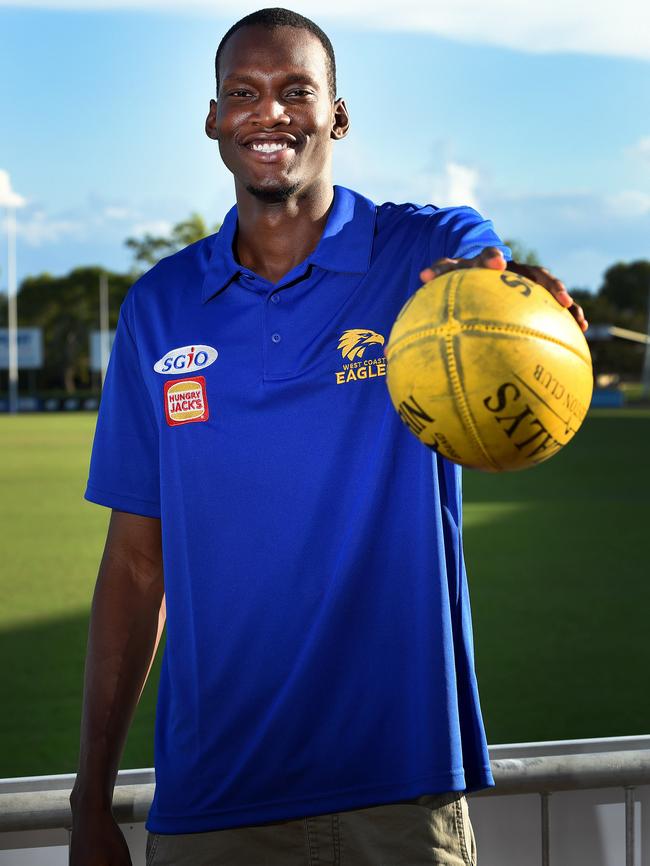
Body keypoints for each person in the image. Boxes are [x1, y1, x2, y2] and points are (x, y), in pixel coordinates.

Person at [69, 8, 587, 866]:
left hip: (399, 791)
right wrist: (93, 797)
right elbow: (133, 566)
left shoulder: (421, 248)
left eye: (296, 91)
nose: (268, 113)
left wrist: (511, 294)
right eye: (244, 93)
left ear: (337, 115)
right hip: (212, 803)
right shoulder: (158, 307)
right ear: (213, 120)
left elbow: (483, 274)